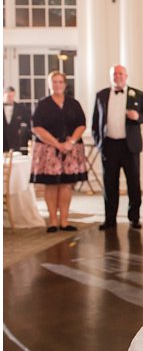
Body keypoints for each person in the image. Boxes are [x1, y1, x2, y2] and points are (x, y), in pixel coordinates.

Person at [91, 64, 143, 232]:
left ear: (126, 76)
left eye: (120, 73)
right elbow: (95, 123)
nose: (117, 76)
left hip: (130, 146)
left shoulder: (138, 95)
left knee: (133, 183)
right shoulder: (101, 95)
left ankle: (134, 218)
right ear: (110, 76)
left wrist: (137, 116)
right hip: (109, 146)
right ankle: (109, 219)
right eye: (114, 73)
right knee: (109, 184)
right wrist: (99, 144)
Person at [29, 70, 88, 234]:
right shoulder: (43, 104)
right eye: (54, 82)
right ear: (49, 84)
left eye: (60, 82)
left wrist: (70, 142)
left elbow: (81, 124)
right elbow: (36, 127)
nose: (57, 85)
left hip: (71, 149)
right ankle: (53, 221)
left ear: (65, 84)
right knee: (51, 185)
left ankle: (65, 220)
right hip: (48, 150)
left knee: (66, 185)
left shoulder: (73, 103)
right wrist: (56, 144)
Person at [4, 87, 32, 152]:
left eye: (12, 96)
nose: (11, 98)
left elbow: (29, 122)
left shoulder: (20, 108)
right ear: (3, 95)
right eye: (9, 96)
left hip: (14, 142)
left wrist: (30, 137)